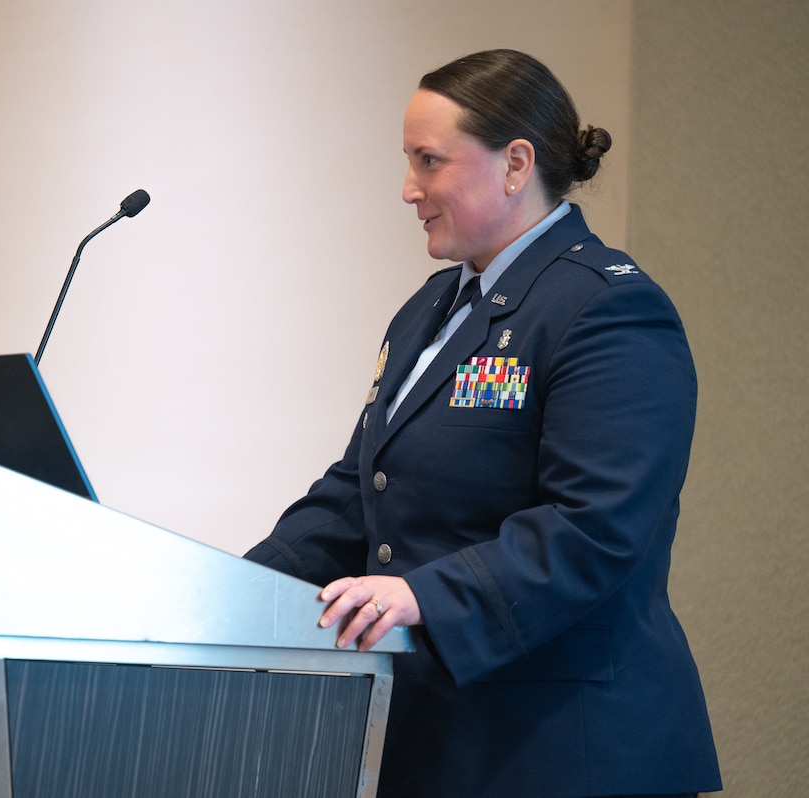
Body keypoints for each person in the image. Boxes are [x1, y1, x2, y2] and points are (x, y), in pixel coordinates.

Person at [245, 50, 721, 798]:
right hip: (443, 737)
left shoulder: (607, 308)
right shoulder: (431, 308)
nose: (408, 189)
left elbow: (595, 527)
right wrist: (235, 588)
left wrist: (424, 596)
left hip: (568, 750)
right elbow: (358, 491)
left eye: (428, 161)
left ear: (515, 163)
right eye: (408, 161)